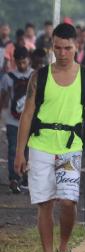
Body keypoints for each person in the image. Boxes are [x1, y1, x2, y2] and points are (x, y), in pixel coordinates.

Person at [14, 23, 85, 252]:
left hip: (70, 147)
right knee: (45, 203)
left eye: (68, 48)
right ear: (52, 46)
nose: (63, 53)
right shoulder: (39, 76)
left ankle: (64, 247)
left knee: (68, 200)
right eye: (58, 48)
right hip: (40, 145)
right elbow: (27, 116)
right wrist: (20, 153)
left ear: (76, 47)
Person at [0, 46, 33, 193]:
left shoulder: (36, 75)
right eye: (19, 63)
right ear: (14, 62)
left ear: (29, 60)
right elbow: (3, 97)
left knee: (29, 150)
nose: (22, 65)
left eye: (24, 62)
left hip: (32, 120)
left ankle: (26, 177)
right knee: (14, 148)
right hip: (13, 121)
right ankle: (14, 178)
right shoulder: (8, 77)